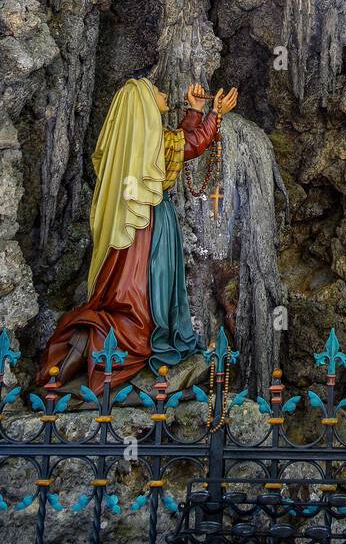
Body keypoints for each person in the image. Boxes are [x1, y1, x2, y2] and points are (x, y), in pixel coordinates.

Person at [37, 76, 237, 387]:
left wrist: (196, 110)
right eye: (156, 90)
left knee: (140, 285)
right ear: (142, 103)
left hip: (141, 221)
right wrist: (216, 115)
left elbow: (175, 143)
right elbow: (189, 145)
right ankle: (137, 335)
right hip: (150, 224)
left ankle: (107, 338)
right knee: (148, 285)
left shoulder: (135, 146)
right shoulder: (150, 142)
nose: (162, 92)